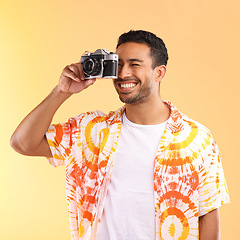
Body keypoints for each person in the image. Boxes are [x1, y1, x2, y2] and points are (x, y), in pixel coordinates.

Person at [10, 30, 230, 240]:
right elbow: (22, 143)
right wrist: (62, 91)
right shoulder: (91, 131)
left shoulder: (196, 138)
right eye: (119, 65)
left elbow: (208, 213)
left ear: (159, 72)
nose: (123, 74)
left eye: (135, 64)